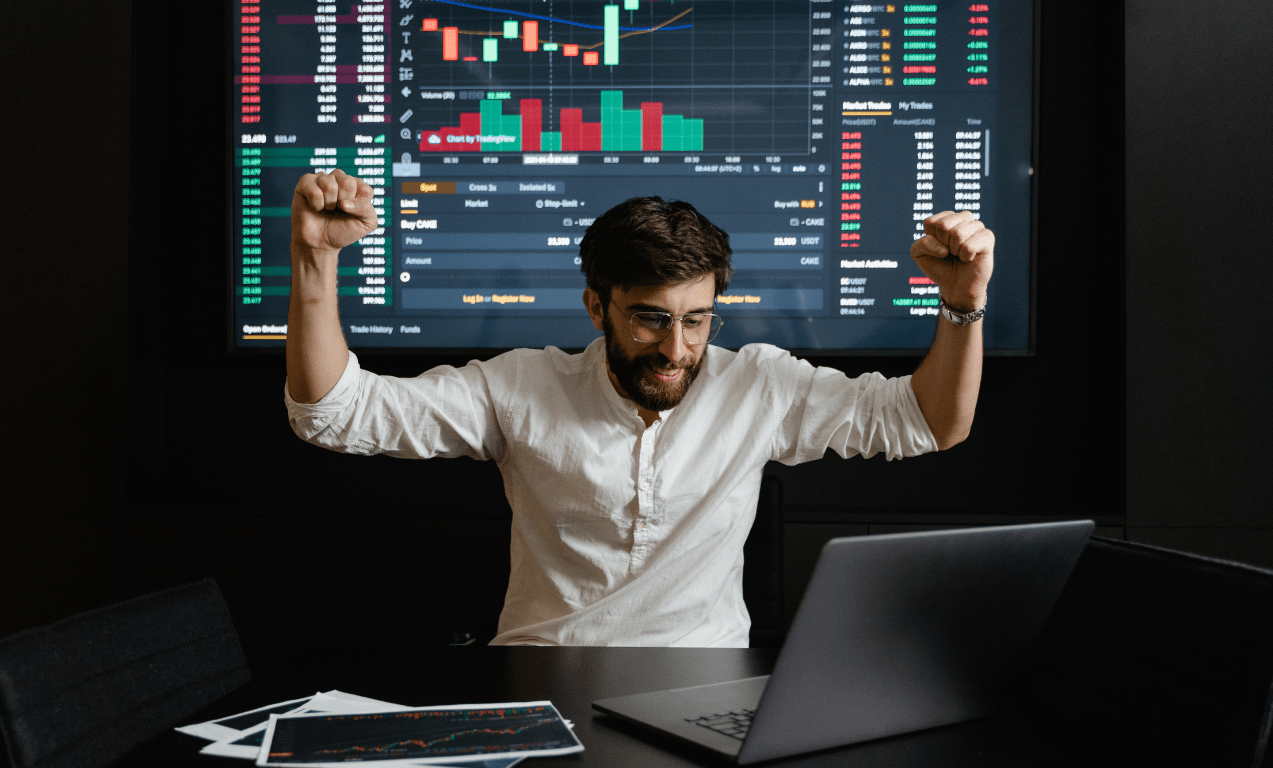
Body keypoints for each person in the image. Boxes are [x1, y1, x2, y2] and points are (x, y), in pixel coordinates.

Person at [285, 170, 993, 647]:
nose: (677, 349)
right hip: (541, 682)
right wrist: (315, 261)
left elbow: (929, 422)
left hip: (706, 691)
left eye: (697, 320)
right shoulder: (522, 385)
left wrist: (961, 304)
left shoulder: (760, 385)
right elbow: (335, 412)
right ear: (597, 306)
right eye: (650, 319)